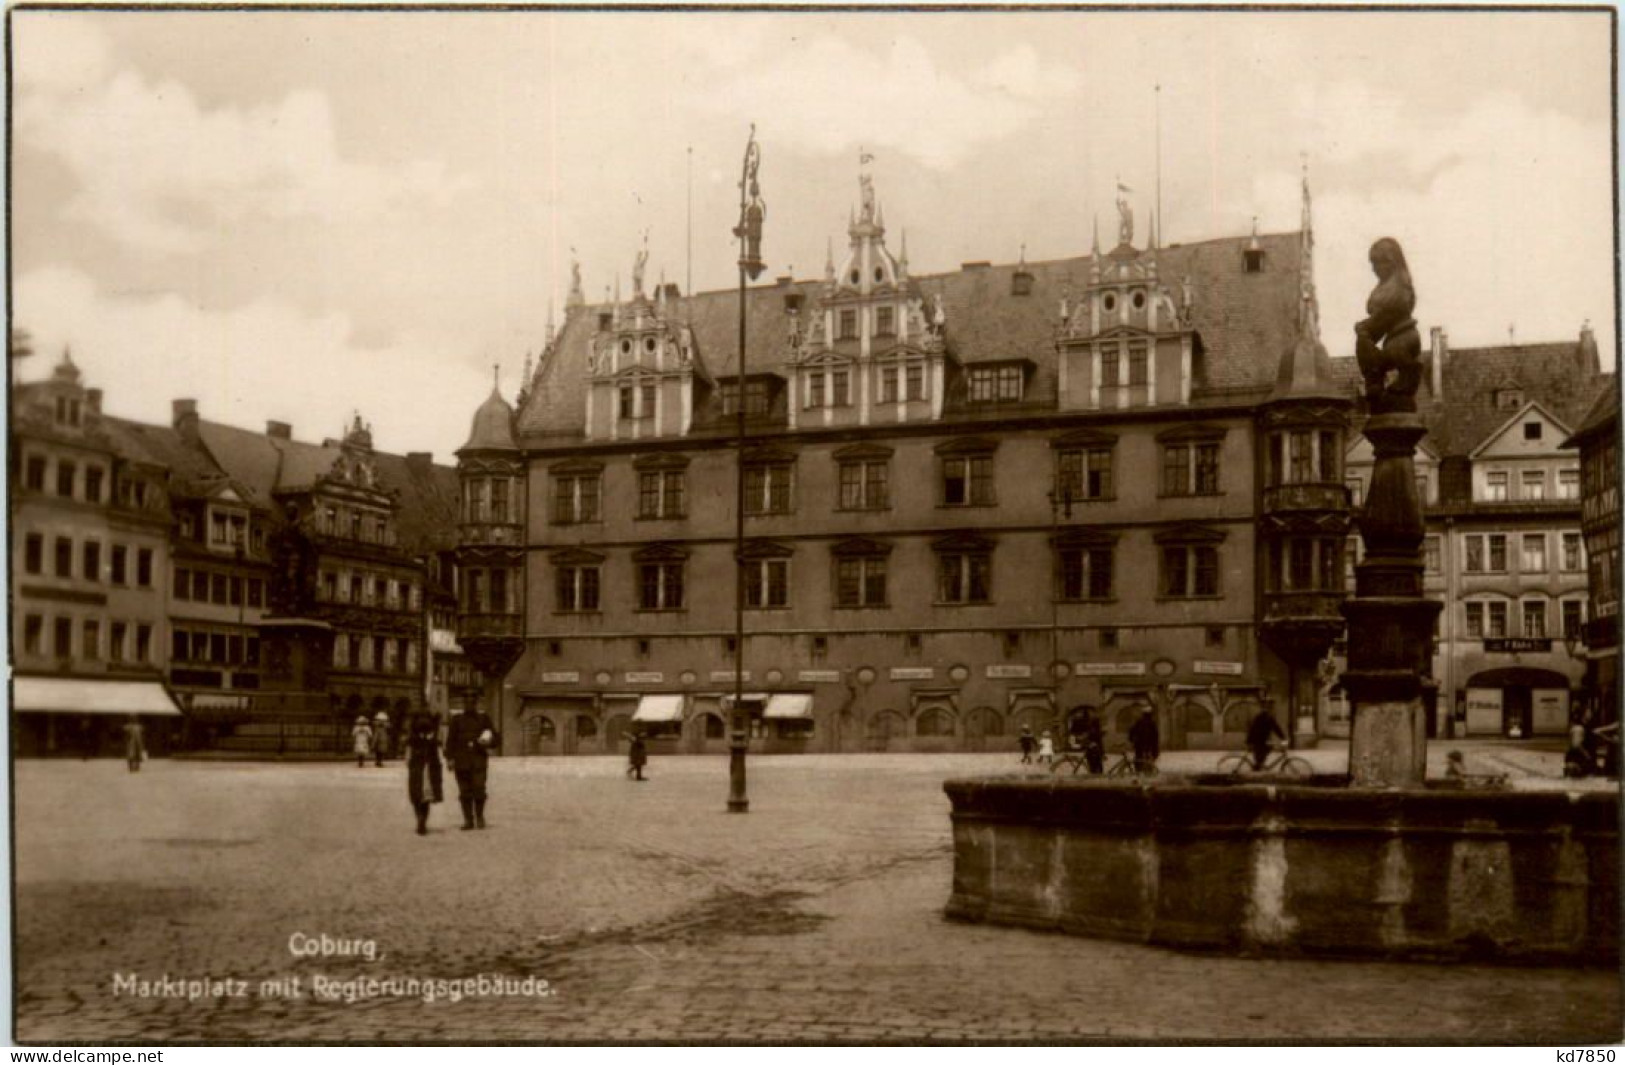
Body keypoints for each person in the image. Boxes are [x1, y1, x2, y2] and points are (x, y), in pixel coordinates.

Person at [446, 705, 497, 830]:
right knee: (464, 791)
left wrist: (489, 741)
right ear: (464, 701)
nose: (469, 701)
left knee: (479, 789)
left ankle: (479, 816)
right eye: (467, 698)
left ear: (476, 701)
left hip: (478, 760)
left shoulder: (484, 719)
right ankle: (468, 820)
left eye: (472, 698)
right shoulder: (457, 720)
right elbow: (450, 740)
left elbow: (496, 738)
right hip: (461, 761)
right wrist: (450, 758)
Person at [405, 709, 444, 835]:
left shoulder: (412, 739)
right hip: (428, 770)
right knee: (425, 798)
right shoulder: (433, 739)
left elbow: (408, 757)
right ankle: (422, 820)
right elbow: (439, 754)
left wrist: (410, 763)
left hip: (418, 769)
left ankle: (420, 819)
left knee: (417, 796)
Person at [1129, 705, 1160, 773]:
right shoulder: (1152, 723)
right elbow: (1155, 737)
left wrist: (1132, 740)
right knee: (1146, 761)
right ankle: (1146, 773)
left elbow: (1131, 731)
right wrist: (1156, 750)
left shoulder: (1139, 722)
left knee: (1139, 760)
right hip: (1148, 747)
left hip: (1140, 746)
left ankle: (1140, 772)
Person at [1080, 709, 1105, 775]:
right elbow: (1095, 741)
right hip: (1093, 751)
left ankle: (1095, 776)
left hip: (1094, 750)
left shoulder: (1092, 730)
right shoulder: (1093, 731)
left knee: (1095, 766)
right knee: (1095, 766)